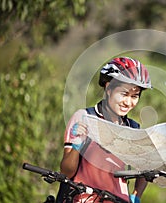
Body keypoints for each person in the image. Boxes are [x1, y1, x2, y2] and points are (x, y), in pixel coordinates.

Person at [59, 57, 151, 203]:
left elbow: (145, 170)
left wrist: (136, 195)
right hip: (82, 199)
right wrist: (77, 145)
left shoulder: (133, 128)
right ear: (108, 88)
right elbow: (66, 172)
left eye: (135, 96)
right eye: (124, 94)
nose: (128, 102)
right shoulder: (84, 117)